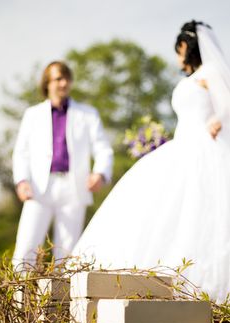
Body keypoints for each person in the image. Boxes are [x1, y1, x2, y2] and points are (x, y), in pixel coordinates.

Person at [71, 21, 230, 303]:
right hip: (180, 146)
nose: (178, 56)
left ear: (186, 46)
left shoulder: (211, 73)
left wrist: (218, 119)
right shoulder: (193, 78)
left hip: (202, 146)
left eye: (179, 49)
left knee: (201, 212)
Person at [12, 61, 113, 270]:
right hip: (39, 188)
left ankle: (62, 302)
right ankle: (15, 302)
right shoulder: (33, 114)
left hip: (73, 188)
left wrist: (100, 173)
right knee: (26, 247)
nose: (64, 83)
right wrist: (22, 180)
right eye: (58, 78)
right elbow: (21, 152)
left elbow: (103, 148)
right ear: (47, 83)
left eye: (67, 78)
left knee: (67, 253)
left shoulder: (87, 114)